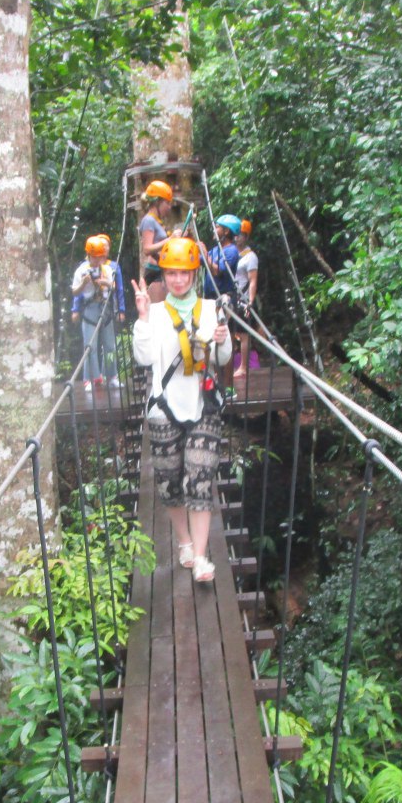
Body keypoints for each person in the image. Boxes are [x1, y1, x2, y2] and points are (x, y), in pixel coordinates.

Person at [132, 236, 233, 584]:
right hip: (164, 407)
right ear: (165, 274)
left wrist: (223, 338)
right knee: (169, 482)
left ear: (194, 274)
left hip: (203, 405)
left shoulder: (210, 308)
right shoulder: (156, 313)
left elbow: (222, 359)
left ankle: (202, 557)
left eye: (184, 273)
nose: (178, 279)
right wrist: (143, 318)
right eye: (171, 273)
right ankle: (184, 542)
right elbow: (143, 359)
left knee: (200, 479)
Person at [71, 234, 122, 392]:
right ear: (89, 255)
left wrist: (106, 282)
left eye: (100, 257)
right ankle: (91, 379)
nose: (97, 261)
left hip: (105, 309)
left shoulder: (106, 269)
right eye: (94, 257)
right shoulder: (81, 271)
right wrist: (84, 284)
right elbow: (75, 292)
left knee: (110, 347)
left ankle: (112, 376)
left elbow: (114, 287)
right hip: (90, 309)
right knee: (90, 347)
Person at [138, 180, 178, 293]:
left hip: (161, 269)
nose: (169, 207)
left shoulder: (156, 221)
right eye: (167, 203)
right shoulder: (149, 220)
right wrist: (170, 239)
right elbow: (147, 248)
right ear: (158, 202)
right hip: (154, 272)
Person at [232, 218, 260, 377]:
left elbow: (252, 281)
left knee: (243, 334)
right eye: (236, 234)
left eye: (241, 235)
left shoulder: (250, 257)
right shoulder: (230, 253)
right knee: (229, 332)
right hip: (231, 298)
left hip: (243, 299)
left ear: (246, 237)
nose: (237, 238)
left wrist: (250, 302)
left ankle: (243, 366)